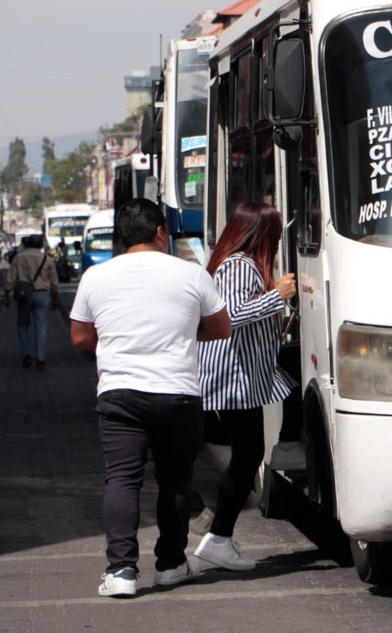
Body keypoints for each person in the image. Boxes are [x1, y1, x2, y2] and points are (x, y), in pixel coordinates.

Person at [70, 199, 232, 598]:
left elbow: (79, 337)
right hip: (177, 393)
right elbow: (221, 327)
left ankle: (122, 571)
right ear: (161, 232)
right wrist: (177, 335)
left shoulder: (95, 276)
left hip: (120, 394)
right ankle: (171, 565)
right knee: (176, 480)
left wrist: (117, 339)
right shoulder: (191, 273)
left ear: (121, 236)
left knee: (122, 480)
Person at [194, 202, 297, 572]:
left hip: (241, 376)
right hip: (234, 378)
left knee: (247, 452)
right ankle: (218, 537)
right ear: (261, 234)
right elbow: (231, 316)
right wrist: (277, 296)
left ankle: (218, 536)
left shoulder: (236, 263)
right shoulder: (239, 266)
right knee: (247, 453)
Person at [3, 234, 60, 369]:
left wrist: (6, 294)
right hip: (42, 295)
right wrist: (55, 297)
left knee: (22, 325)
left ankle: (26, 354)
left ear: (27, 244)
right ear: (41, 245)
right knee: (41, 327)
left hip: (24, 295)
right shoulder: (47, 259)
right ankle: (41, 358)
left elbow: (11, 278)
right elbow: (54, 281)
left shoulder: (19, 258)